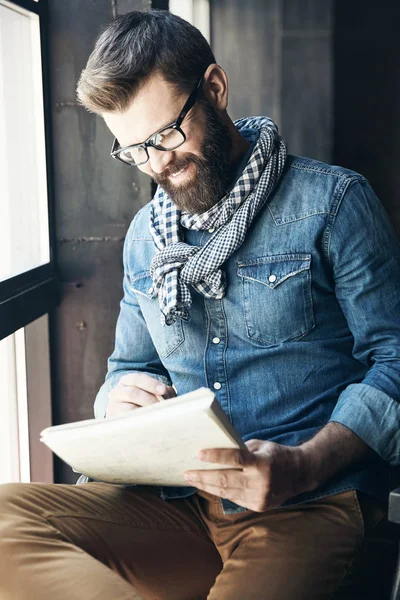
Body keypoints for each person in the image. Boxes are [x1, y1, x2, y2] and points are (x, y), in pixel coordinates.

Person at [0, 9, 399, 600]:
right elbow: (128, 371)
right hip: (175, 502)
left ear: (214, 89)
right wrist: (118, 402)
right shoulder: (145, 237)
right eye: (133, 150)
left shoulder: (335, 203)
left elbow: (394, 362)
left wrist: (304, 465)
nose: (157, 164)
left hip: (309, 503)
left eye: (165, 135)